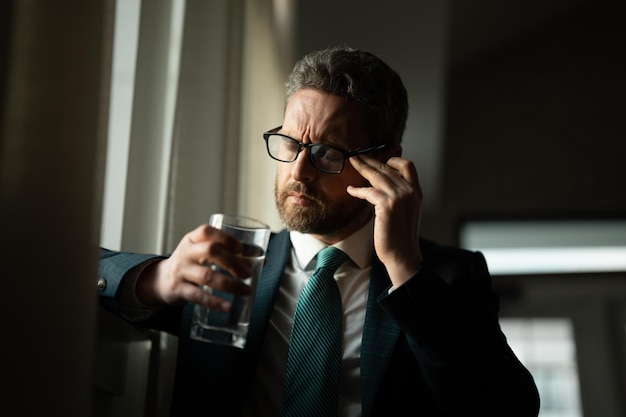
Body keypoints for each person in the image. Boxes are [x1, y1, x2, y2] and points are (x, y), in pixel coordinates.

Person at [98, 45, 540, 417]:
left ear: (385, 163)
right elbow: (74, 267)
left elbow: (507, 407)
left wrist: (405, 267)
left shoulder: (448, 277)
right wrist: (158, 279)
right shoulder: (231, 264)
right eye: (290, 143)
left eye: (327, 152)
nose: (298, 170)